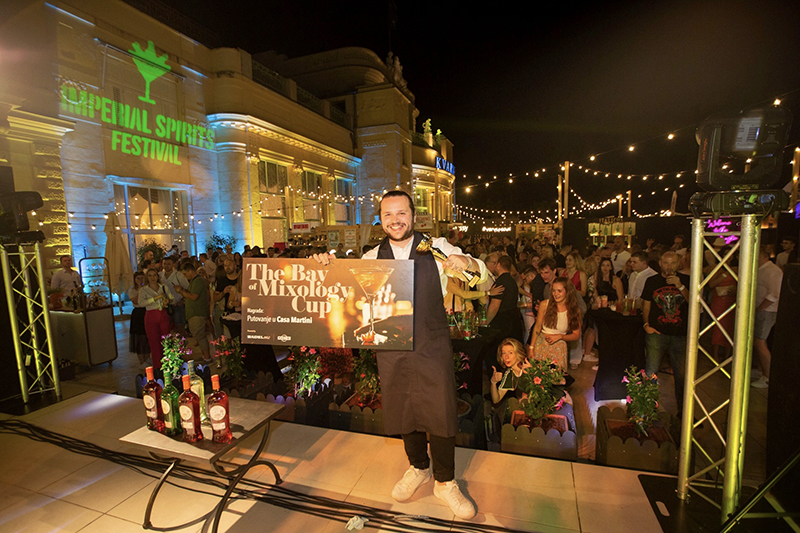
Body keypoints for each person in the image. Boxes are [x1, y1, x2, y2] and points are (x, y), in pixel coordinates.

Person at [312, 190, 487, 519]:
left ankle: (445, 481)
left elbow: (482, 280)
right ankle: (419, 467)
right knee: (404, 406)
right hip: (391, 345)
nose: (395, 220)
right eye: (388, 214)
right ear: (381, 219)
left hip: (430, 345)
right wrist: (324, 266)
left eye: (401, 213)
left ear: (413, 214)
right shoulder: (370, 257)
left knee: (440, 410)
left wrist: (467, 263)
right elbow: (338, 290)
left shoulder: (436, 248)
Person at [642, 251, 690, 415]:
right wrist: (646, 324)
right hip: (657, 333)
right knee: (651, 372)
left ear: (679, 264)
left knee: (682, 376)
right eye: (666, 263)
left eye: (673, 263)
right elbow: (646, 305)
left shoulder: (687, 281)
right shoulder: (652, 281)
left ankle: (684, 413)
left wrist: (680, 286)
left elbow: (696, 303)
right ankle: (648, 409)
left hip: (680, 334)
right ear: (660, 263)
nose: (669, 267)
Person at [528, 277, 582, 372]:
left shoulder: (574, 310)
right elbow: (537, 326)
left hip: (559, 348)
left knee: (556, 379)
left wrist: (560, 337)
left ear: (567, 291)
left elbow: (576, 335)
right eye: (554, 290)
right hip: (542, 344)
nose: (556, 294)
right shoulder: (545, 305)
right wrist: (531, 347)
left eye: (559, 291)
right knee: (539, 378)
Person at [752, 246, 783, 389]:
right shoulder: (760, 270)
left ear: (763, 256)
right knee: (757, 342)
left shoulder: (773, 271)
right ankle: (761, 371)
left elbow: (774, 294)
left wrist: (760, 308)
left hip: (766, 311)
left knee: (760, 342)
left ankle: (768, 377)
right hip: (760, 309)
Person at [707, 249, 737, 363]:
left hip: (733, 301)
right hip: (719, 301)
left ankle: (727, 356)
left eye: (730, 255)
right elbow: (711, 284)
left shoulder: (738, 269)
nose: (728, 257)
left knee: (731, 327)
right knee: (718, 327)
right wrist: (725, 274)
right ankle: (715, 355)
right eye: (726, 254)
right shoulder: (717, 268)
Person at [139, 268, 172, 370]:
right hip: (151, 315)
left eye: (154, 275)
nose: (152, 278)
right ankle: (158, 366)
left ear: (157, 276)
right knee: (154, 342)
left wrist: (167, 300)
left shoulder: (163, 287)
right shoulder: (143, 290)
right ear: (147, 277)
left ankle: (169, 363)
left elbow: (172, 298)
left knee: (166, 340)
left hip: (162, 314)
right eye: (150, 275)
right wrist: (155, 298)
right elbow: (141, 303)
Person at [177, 262, 210, 361]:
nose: (184, 276)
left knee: (200, 336)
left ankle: (207, 357)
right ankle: (204, 355)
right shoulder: (194, 281)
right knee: (198, 336)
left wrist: (181, 291)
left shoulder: (198, 281)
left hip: (197, 313)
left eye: (185, 273)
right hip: (194, 313)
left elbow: (193, 296)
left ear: (190, 271)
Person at [486, 255, 524, 343]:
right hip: (514, 321)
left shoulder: (500, 282)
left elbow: (495, 306)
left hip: (503, 324)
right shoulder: (512, 281)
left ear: (498, 265)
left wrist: (486, 322)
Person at [489, 338, 532, 404]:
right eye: (503, 353)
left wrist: (534, 373)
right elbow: (496, 400)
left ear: (518, 353)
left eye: (510, 353)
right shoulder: (510, 374)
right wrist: (493, 382)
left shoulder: (529, 365)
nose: (506, 357)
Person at [160, 256, 188, 335]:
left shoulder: (178, 275)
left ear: (173, 265)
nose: (166, 266)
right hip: (165, 305)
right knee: (167, 327)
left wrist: (182, 300)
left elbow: (187, 288)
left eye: (169, 264)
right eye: (165, 264)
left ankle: (182, 344)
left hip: (178, 304)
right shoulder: (160, 276)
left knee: (180, 326)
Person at [128, 271, 150, 367]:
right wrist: (140, 290)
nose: (140, 280)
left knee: (147, 337)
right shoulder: (132, 290)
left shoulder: (148, 289)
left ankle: (147, 358)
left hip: (146, 311)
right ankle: (142, 361)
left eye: (142, 278)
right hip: (138, 314)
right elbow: (136, 301)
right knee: (139, 338)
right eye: (138, 278)